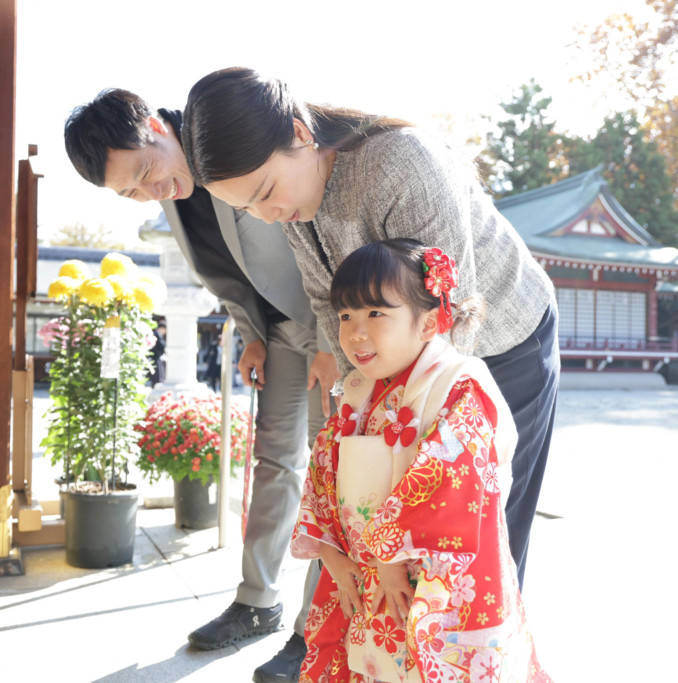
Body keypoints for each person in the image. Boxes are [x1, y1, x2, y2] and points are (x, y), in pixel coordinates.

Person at [182, 67, 559, 587]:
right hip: (412, 351)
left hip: (494, 341)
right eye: (247, 208)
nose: (267, 215)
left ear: (298, 133)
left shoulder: (402, 163)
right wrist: (354, 405)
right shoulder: (293, 204)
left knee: (477, 533)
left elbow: (449, 319)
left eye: (265, 191)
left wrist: (409, 442)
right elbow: (324, 302)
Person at [64, 88, 340, 683]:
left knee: (329, 474)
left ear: (154, 124)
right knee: (274, 464)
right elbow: (227, 270)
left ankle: (315, 632)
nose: (149, 191)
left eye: (144, 171)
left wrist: (329, 340)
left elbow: (313, 228)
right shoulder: (169, 189)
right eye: (130, 191)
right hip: (276, 328)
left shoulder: (226, 135)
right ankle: (257, 602)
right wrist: (253, 334)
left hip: (327, 322)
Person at [291, 239, 551, 682]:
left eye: (376, 314)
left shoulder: (459, 386)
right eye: (346, 316)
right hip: (364, 571)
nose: (356, 332)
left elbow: (453, 476)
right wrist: (333, 558)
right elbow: (324, 474)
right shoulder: (357, 392)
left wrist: (391, 558)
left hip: (433, 577)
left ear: (429, 322)